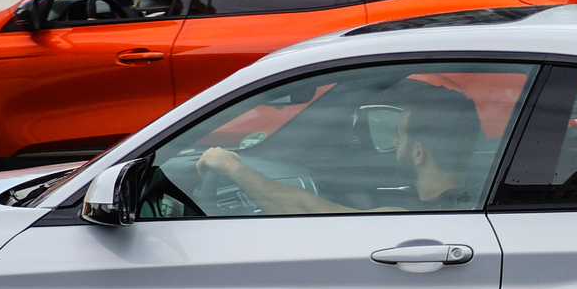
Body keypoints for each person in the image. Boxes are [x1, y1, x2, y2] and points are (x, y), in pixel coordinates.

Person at [197, 81, 480, 214]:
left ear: (419, 153)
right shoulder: (473, 202)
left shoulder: (406, 219)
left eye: (400, 135)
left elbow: (305, 208)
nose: (394, 143)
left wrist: (231, 166)